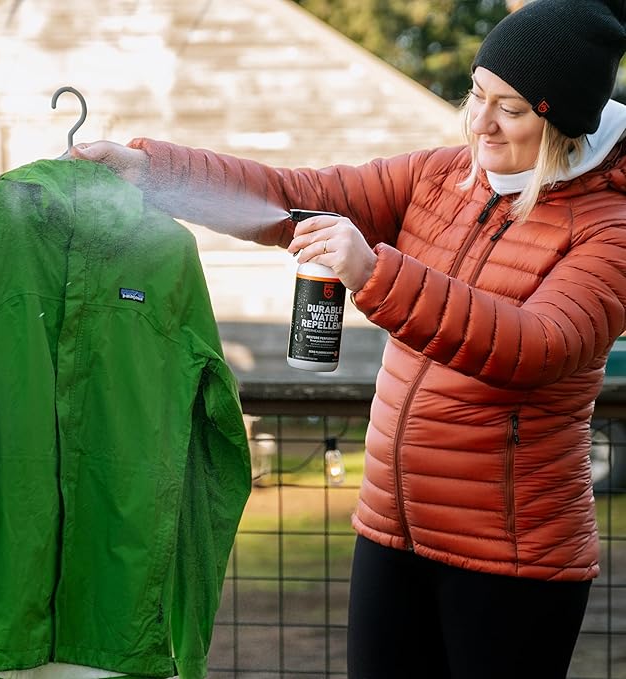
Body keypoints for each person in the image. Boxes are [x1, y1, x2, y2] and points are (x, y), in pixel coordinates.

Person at [70, 1, 626, 676]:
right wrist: (149, 171)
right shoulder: (437, 176)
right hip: (391, 528)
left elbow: (535, 346)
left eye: (509, 109)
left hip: (511, 556)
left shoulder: (608, 228)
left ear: (561, 123)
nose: (481, 122)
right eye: (477, 94)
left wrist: (374, 273)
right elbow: (292, 192)